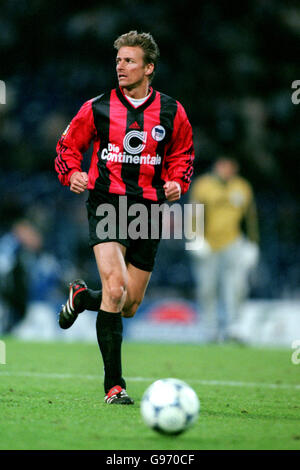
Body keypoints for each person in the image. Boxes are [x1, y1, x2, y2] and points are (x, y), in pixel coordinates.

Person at [54, 31, 194, 404]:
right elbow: (68, 146)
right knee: (115, 289)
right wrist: (72, 174)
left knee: (129, 305)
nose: (121, 66)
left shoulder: (171, 111)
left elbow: (183, 153)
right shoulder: (97, 108)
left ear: (149, 68)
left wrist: (178, 182)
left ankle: (82, 298)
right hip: (107, 203)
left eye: (129, 60)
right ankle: (114, 386)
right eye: (118, 60)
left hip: (147, 210)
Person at [189, 157, 259, 343]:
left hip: (233, 242)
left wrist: (252, 243)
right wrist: (194, 238)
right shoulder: (203, 185)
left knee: (237, 286)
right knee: (206, 288)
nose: (226, 170)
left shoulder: (242, 186)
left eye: (230, 166)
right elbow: (193, 212)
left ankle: (235, 327)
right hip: (207, 244)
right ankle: (209, 329)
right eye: (223, 165)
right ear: (217, 165)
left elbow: (250, 217)